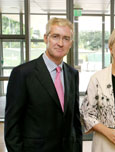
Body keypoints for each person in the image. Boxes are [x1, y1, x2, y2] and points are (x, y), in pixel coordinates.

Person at [4, 18, 82, 152]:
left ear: (71, 43)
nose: (60, 43)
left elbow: (74, 121)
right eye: (55, 37)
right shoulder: (22, 74)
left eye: (66, 38)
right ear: (46, 38)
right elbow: (12, 126)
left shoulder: (72, 74)